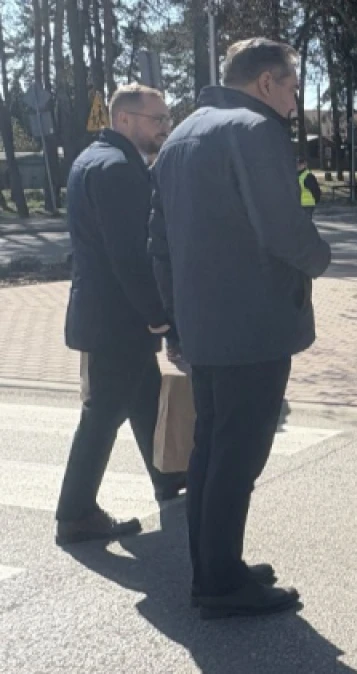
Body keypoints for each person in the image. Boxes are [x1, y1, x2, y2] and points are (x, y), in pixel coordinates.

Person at [149, 38, 331, 618]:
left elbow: (157, 244)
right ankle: (222, 585)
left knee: (210, 452)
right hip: (254, 324)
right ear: (266, 84)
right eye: (292, 87)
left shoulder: (178, 136)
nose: (294, 101)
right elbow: (282, 228)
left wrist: (175, 321)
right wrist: (321, 258)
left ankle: (213, 568)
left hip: (204, 325)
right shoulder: (255, 131)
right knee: (238, 456)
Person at [55, 84, 184, 546]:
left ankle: (169, 479)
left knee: (146, 399)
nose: (165, 128)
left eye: (167, 119)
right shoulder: (117, 169)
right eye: (158, 120)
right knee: (102, 414)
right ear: (125, 119)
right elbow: (131, 256)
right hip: (118, 320)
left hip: (105, 315)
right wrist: (159, 316)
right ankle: (75, 514)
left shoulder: (92, 159)